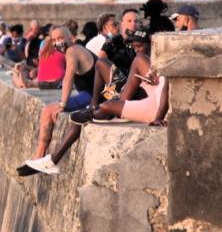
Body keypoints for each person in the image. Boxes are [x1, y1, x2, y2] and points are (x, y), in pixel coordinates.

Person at [17, 26, 97, 176]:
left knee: (49, 110)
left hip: (92, 96)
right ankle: (39, 158)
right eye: (54, 40)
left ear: (70, 38)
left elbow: (68, 78)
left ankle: (39, 158)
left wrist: (63, 104)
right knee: (48, 110)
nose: (57, 42)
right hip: (88, 94)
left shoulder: (73, 50)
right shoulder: (73, 50)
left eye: (60, 38)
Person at [70, 30, 169, 127]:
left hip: (138, 96)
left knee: (139, 59)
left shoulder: (151, 59)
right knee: (101, 62)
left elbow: (163, 89)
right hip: (125, 90)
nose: (136, 50)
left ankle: (109, 108)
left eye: (139, 46)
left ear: (150, 45)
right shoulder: (136, 56)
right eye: (133, 46)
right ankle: (94, 104)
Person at [91, 9, 142, 106]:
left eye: (136, 21)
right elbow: (99, 64)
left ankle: (99, 104)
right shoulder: (113, 42)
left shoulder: (143, 42)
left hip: (134, 87)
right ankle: (96, 103)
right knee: (101, 62)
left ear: (140, 24)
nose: (133, 24)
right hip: (114, 87)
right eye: (129, 21)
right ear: (122, 24)